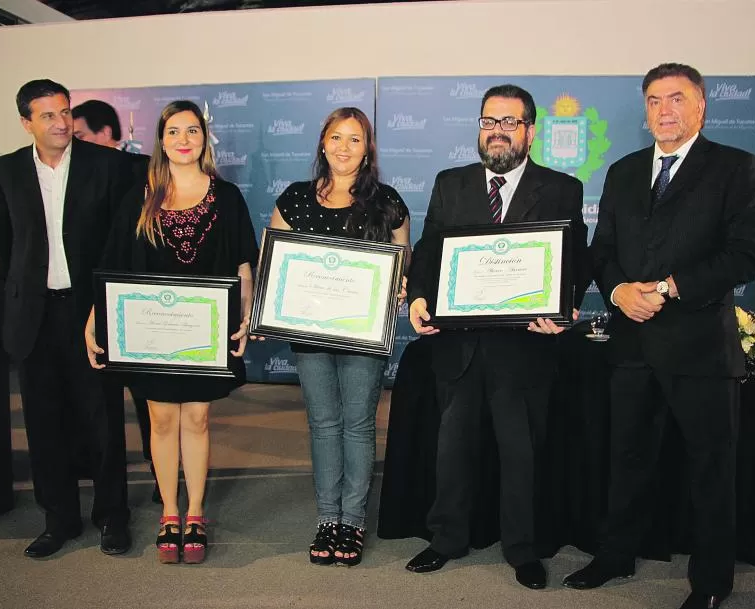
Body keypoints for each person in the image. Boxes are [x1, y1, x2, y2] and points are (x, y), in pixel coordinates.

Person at [562, 63, 755, 609]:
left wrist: (672, 287)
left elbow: (746, 254)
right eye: (653, 100)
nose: (664, 110)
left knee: (709, 470)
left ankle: (710, 583)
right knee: (626, 460)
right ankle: (615, 555)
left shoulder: (735, 168)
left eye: (676, 98)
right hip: (632, 346)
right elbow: (602, 251)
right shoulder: (625, 171)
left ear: (701, 106)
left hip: (700, 348)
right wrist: (619, 291)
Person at [404, 84, 590, 589]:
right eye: (489, 121)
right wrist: (419, 295)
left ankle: (522, 549)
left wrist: (564, 304)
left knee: (520, 453)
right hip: (458, 346)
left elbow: (574, 259)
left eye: (510, 122)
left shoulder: (561, 189)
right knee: (452, 450)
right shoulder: (451, 183)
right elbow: (428, 249)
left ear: (531, 131)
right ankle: (446, 539)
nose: (498, 132)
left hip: (524, 347)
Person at [85, 100, 258, 564]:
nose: (184, 140)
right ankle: (169, 512)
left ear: (204, 139)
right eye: (174, 131)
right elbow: (112, 265)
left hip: (206, 334)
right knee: (161, 420)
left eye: (193, 131)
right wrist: (92, 320)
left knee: (197, 418)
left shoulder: (227, 197)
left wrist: (245, 316)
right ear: (161, 140)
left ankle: (196, 513)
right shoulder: (139, 196)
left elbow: (244, 265)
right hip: (150, 336)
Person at [0, 79, 134, 558]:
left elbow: (118, 242)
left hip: (90, 311)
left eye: (65, 112)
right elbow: (4, 248)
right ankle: (59, 520)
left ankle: (112, 516)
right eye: (48, 115)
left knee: (102, 420)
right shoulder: (4, 171)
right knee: (45, 422)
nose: (61, 122)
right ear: (26, 122)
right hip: (34, 314)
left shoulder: (108, 165)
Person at [267, 107, 410, 566]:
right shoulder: (293, 199)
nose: (344, 148)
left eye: (355, 139)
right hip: (310, 335)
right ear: (322, 143)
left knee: (358, 425)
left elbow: (401, 264)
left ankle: (353, 520)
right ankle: (327, 518)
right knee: (324, 425)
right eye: (336, 137)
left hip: (363, 336)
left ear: (367, 148)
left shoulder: (387, 202)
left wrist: (401, 286)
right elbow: (274, 267)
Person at [72, 98, 159, 503]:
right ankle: (98, 474)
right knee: (96, 397)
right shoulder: (70, 173)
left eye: (81, 134)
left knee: (149, 399)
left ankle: (161, 473)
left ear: (105, 134)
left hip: (141, 301)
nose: (74, 142)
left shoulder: (144, 170)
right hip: (89, 294)